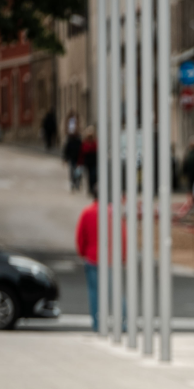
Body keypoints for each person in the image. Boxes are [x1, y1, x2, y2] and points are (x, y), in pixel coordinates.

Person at [75, 193, 125, 332]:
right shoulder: (112, 213)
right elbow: (122, 235)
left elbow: (80, 235)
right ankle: (124, 322)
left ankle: (97, 323)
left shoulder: (87, 212)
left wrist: (82, 252)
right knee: (115, 292)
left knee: (94, 292)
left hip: (92, 257)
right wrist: (122, 255)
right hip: (110, 258)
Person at [80, 126, 99, 198]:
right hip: (88, 162)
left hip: (94, 162)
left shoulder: (95, 142)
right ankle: (90, 189)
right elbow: (83, 151)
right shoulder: (85, 143)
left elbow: (96, 148)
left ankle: (94, 189)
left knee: (94, 176)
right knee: (89, 176)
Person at [63, 127, 83, 192]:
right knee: (72, 172)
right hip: (72, 159)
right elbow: (66, 150)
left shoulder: (79, 141)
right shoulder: (70, 141)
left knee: (78, 173)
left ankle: (77, 183)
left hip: (78, 159)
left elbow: (82, 150)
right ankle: (73, 183)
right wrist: (65, 158)